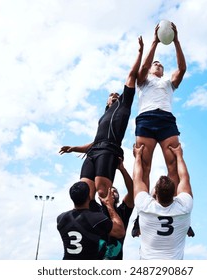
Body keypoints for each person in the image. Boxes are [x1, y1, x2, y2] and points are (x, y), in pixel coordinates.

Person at [59, 36, 144, 206]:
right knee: (85, 192)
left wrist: (140, 52)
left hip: (109, 150)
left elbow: (131, 75)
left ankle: (108, 223)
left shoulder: (124, 104)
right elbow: (96, 141)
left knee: (102, 192)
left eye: (116, 94)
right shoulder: (103, 117)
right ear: (106, 102)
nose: (114, 95)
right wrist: (73, 148)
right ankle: (86, 225)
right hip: (93, 152)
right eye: (110, 95)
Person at [135, 22, 186, 188]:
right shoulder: (143, 80)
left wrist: (176, 41)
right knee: (144, 166)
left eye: (160, 64)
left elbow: (182, 68)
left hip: (166, 120)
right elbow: (143, 66)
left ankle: (175, 208)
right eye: (154, 63)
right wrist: (155, 41)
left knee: (173, 165)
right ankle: (143, 210)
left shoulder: (168, 81)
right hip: (146, 119)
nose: (158, 64)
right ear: (150, 69)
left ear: (163, 71)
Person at [133, 143, 193, 259]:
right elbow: (184, 178)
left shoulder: (145, 206)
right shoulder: (184, 207)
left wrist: (138, 156)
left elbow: (137, 178)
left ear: (155, 194)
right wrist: (179, 155)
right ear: (175, 194)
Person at [56, 181, 125, 260]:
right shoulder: (97, 218)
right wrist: (109, 205)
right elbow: (120, 232)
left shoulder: (60, 218)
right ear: (89, 197)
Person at [101, 159, 134, 259]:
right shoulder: (96, 211)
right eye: (110, 191)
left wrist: (122, 169)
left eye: (115, 191)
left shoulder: (122, 211)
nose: (112, 192)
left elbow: (132, 191)